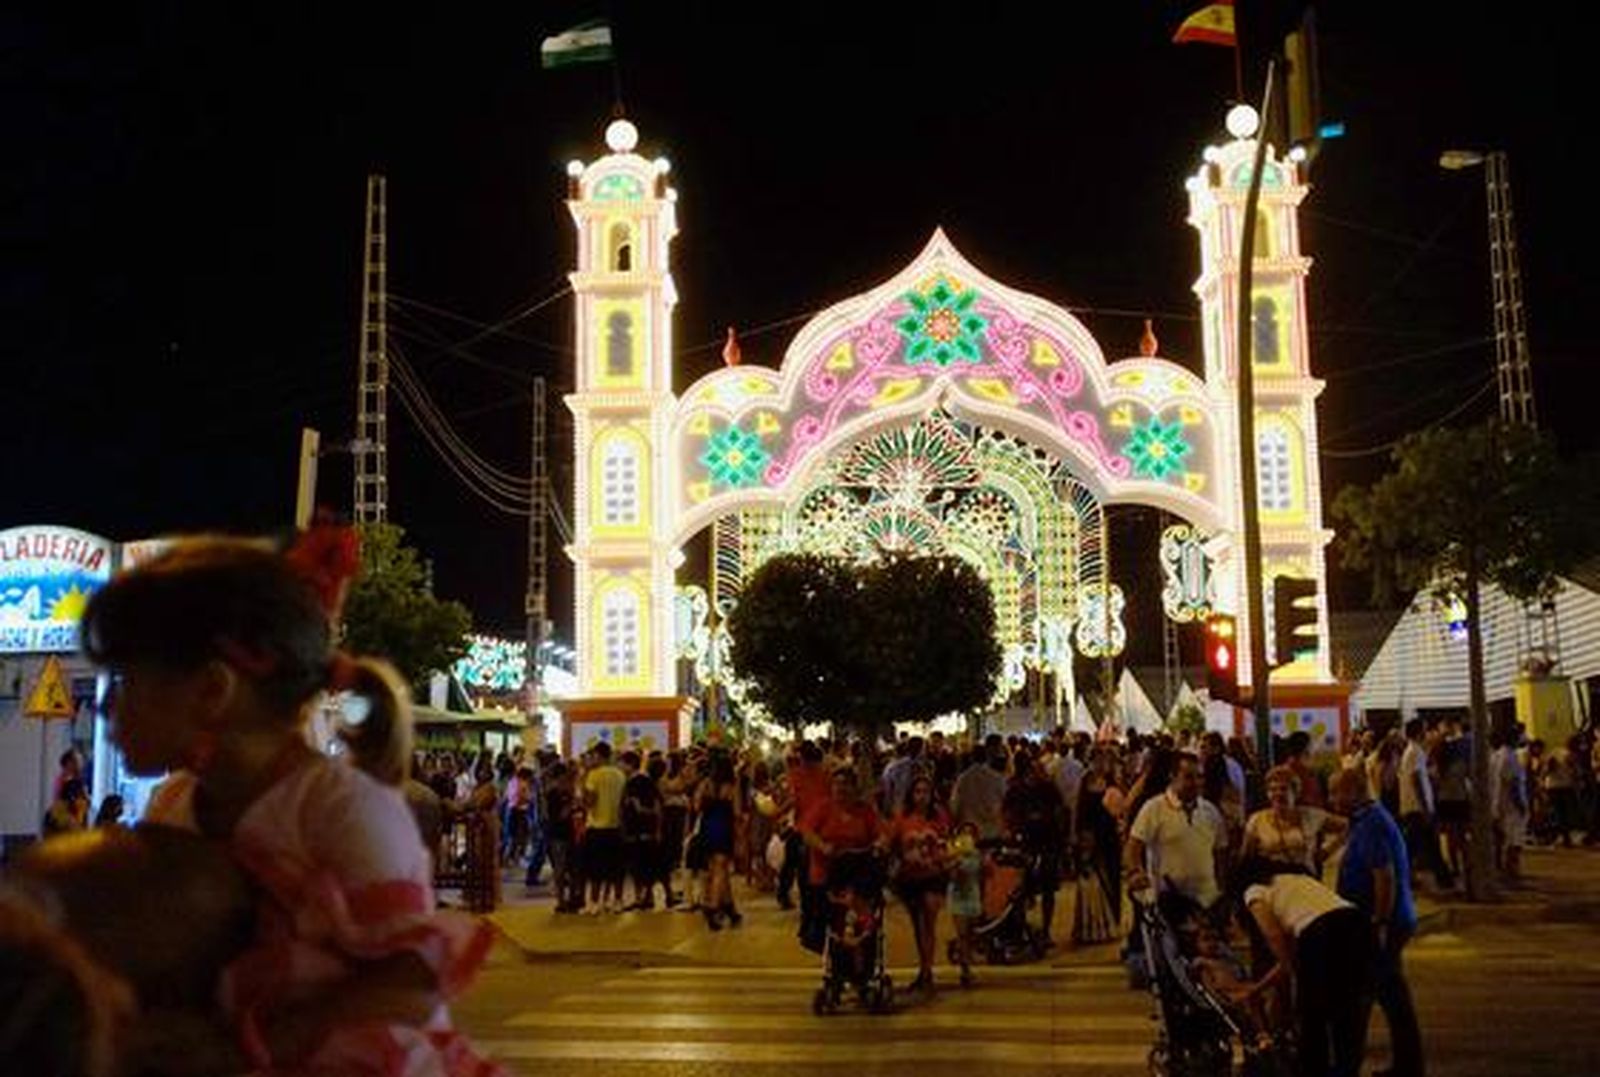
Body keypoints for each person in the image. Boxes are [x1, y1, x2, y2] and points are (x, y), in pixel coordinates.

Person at [82, 535, 499, 1075]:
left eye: (126, 680)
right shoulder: (173, 805)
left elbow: (411, 981)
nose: (106, 708)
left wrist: (255, 1045)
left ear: (212, 690)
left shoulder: (343, 809)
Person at [1231, 857, 1374, 1077]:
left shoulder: (1254, 891)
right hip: (1358, 925)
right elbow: (1290, 961)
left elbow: (1274, 937)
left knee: (1312, 1015)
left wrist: (1292, 975)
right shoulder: (1298, 879)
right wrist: (1257, 989)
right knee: (1347, 1011)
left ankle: (1315, 1071)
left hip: (1323, 933)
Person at [1330, 768, 1422, 1077]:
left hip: (1382, 923)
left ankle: (1351, 1064)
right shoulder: (1366, 819)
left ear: (1355, 791)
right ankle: (1405, 1065)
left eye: (1336, 792)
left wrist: (1379, 922)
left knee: (1370, 995)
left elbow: (1384, 877)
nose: (1332, 799)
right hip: (1381, 921)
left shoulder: (1372, 824)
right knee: (1387, 995)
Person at [1125, 752, 1228, 911]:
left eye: (1200, 777)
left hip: (1207, 901)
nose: (1196, 782)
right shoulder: (1154, 808)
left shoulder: (1210, 811)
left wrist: (1221, 888)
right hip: (1167, 903)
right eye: (1188, 777)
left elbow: (1220, 852)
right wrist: (1135, 872)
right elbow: (1133, 847)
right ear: (1173, 777)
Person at [797, 767, 884, 953]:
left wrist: (879, 845)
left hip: (857, 872)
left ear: (854, 787)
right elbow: (807, 832)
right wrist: (823, 846)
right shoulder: (823, 807)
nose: (840, 788)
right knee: (830, 914)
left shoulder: (864, 811)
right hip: (827, 871)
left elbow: (879, 834)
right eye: (836, 784)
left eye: (845, 784)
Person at [888, 774, 950, 992]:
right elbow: (892, 843)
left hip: (933, 876)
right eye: (918, 792)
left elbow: (946, 843)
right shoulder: (903, 818)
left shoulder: (939, 816)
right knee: (919, 924)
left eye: (926, 792)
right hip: (910, 878)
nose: (922, 796)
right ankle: (924, 968)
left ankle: (927, 970)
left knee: (928, 920)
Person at [1003, 747, 1067, 946]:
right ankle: (1023, 930)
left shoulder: (1048, 789)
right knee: (1022, 890)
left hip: (1047, 843)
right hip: (1026, 844)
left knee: (1047, 890)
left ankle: (1045, 931)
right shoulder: (1017, 790)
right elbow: (1007, 813)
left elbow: (1060, 811)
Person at [1240, 764, 1346, 874]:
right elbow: (1246, 858)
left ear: (1295, 792)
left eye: (1283, 789)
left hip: (1304, 878)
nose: (1278, 794)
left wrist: (1327, 851)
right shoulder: (1257, 820)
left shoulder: (1311, 816)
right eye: (1272, 789)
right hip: (1270, 880)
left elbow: (1348, 826)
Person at [1399, 719, 1453, 889]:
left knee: (1415, 846)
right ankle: (1444, 880)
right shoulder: (1415, 752)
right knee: (1430, 845)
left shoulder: (1412, 751)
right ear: (1418, 732)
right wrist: (1425, 807)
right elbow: (1416, 779)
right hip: (1417, 808)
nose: (1427, 733)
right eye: (1424, 729)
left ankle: (1408, 877)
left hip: (1413, 807)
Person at [696, 750, 744, 929]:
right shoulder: (732, 786)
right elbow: (737, 812)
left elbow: (696, 805)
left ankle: (730, 908)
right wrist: (740, 836)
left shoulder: (706, 783)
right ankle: (713, 907)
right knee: (721, 868)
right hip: (724, 827)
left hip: (707, 827)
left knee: (715, 868)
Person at [581, 741, 627, 914]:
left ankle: (594, 903)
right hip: (616, 827)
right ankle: (618, 901)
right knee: (616, 868)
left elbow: (590, 802)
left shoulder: (594, 775)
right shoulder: (620, 774)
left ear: (598, 756)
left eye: (593, 756)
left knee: (596, 869)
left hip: (597, 827)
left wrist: (583, 782)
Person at [621, 751, 666, 910]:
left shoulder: (640, 781)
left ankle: (644, 896)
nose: (620, 766)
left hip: (642, 829)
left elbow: (655, 805)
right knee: (638, 863)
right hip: (636, 829)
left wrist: (656, 826)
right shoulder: (632, 781)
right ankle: (642, 896)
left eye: (622, 763)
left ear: (630, 764)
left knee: (642, 863)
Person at [946, 822, 983, 988]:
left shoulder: (977, 855)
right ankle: (965, 970)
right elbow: (952, 876)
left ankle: (964, 958)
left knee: (971, 933)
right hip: (958, 896)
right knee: (962, 933)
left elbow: (981, 875)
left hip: (973, 895)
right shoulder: (954, 855)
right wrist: (955, 862)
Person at [951, 737, 1009, 842]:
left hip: (970, 832)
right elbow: (1006, 801)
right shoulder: (997, 778)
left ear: (971, 758)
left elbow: (955, 806)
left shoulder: (962, 779)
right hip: (993, 830)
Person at [1490, 725, 1529, 881]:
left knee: (1502, 838)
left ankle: (1501, 867)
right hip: (1511, 805)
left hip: (1498, 802)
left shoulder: (1496, 756)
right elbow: (1513, 783)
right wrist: (1520, 804)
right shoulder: (1510, 757)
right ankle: (1512, 870)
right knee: (1514, 840)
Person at [1280, 731, 1327, 809]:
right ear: (1307, 750)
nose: (1316, 751)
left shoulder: (1284, 770)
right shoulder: (1302, 773)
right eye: (1313, 747)